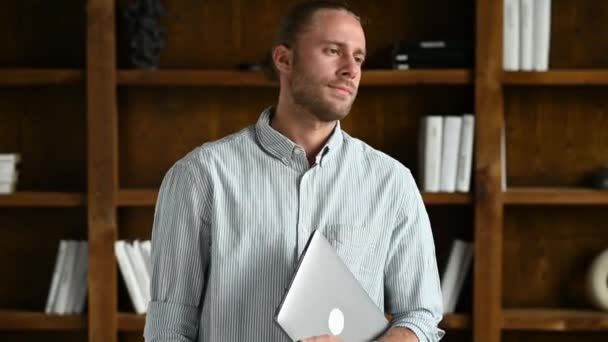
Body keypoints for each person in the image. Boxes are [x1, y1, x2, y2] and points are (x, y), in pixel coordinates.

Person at [143, 1, 444, 341]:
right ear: (284, 59)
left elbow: (420, 315)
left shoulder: (393, 183)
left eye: (358, 57)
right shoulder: (200, 176)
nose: (351, 69)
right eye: (333, 51)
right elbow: (169, 328)